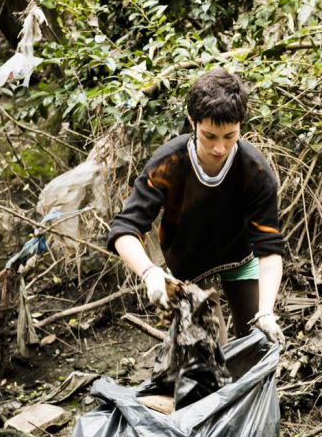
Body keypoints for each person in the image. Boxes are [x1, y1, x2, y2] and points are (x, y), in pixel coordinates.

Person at [107, 67, 286, 346]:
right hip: (188, 263)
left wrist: (266, 311)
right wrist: (150, 272)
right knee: (209, 353)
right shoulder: (168, 163)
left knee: (256, 344)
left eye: (230, 136)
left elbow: (270, 249)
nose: (220, 148)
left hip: (239, 255)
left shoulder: (255, 171)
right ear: (193, 122)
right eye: (210, 136)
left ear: (240, 125)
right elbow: (125, 229)